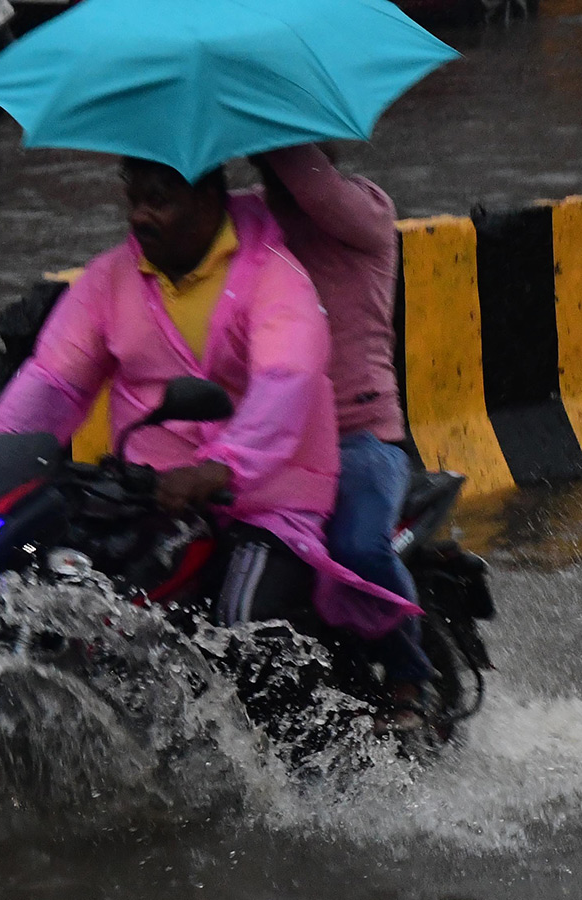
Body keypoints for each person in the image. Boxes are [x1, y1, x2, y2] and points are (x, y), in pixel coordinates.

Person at [0, 156, 421, 658]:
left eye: (160, 201)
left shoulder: (284, 271)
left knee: (247, 621)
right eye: (135, 200)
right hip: (157, 492)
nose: (140, 217)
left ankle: (390, 681)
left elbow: (286, 379)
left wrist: (222, 467)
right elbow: (53, 381)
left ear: (208, 200)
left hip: (272, 490)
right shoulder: (110, 278)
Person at [248, 144, 436, 734]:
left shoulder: (365, 210)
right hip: (273, 442)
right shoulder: (253, 228)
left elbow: (316, 190)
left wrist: (265, 126)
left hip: (361, 438)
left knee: (356, 549)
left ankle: (410, 679)